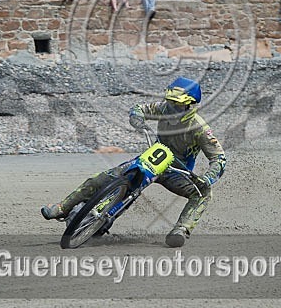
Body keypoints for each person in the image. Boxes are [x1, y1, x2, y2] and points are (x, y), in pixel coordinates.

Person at [41, 77, 226, 248]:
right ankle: (61, 208)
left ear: (190, 106)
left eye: (177, 106)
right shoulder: (163, 108)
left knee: (204, 193)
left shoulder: (200, 129)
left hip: (177, 172)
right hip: (151, 160)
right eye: (170, 103)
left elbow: (219, 158)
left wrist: (207, 178)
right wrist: (136, 117)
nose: (171, 109)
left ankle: (181, 230)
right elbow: (140, 108)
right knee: (100, 179)